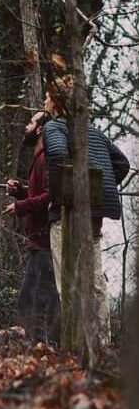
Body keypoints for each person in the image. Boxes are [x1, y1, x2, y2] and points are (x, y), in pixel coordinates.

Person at [41, 76, 132, 345]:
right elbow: (122, 164)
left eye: (47, 96)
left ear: (55, 101)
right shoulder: (93, 131)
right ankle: (102, 341)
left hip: (68, 215)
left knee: (66, 279)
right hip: (96, 213)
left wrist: (60, 194)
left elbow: (57, 154)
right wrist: (99, 187)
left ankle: (74, 341)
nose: (45, 101)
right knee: (94, 281)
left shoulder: (54, 126)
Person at [4, 110, 59, 344]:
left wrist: (21, 206)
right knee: (31, 298)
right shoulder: (39, 158)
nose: (26, 126)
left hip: (45, 242)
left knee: (40, 298)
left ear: (39, 130)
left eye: (30, 122)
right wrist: (21, 192)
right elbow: (40, 195)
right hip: (37, 242)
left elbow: (49, 198)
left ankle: (47, 347)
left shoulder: (46, 158)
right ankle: (39, 347)